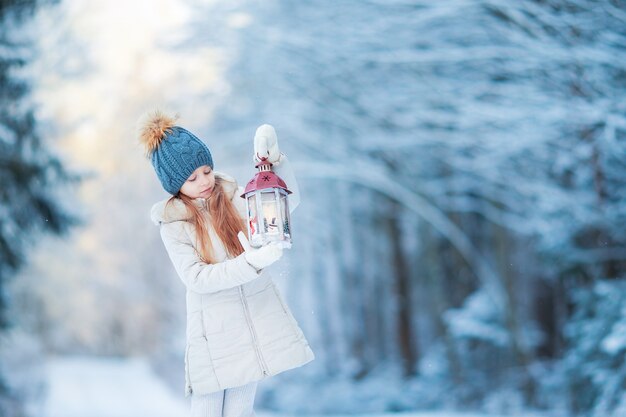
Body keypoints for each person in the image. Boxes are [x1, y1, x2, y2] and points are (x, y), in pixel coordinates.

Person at [138, 111, 315, 417]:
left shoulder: (234, 198)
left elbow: (281, 207)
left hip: (250, 328)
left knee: (240, 412)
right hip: (214, 336)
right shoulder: (174, 224)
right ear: (174, 184)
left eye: (206, 170)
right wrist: (250, 263)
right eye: (191, 178)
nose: (204, 181)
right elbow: (197, 278)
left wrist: (276, 163)